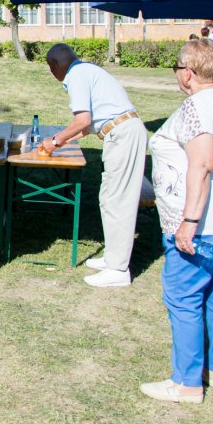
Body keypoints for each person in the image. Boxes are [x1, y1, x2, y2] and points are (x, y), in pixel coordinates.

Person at [141, 39, 213, 404]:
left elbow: (203, 164)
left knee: (184, 297)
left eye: (177, 69)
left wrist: (189, 221)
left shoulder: (197, 106)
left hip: (203, 221)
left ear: (187, 73)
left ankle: (186, 383)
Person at [39, 43, 147, 287]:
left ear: (55, 65)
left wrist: (55, 140)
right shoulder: (85, 71)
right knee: (109, 197)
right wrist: (60, 141)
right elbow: (88, 126)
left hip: (123, 134)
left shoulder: (76, 75)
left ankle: (118, 270)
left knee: (118, 200)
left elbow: (83, 119)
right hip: (118, 131)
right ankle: (112, 257)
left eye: (49, 67)